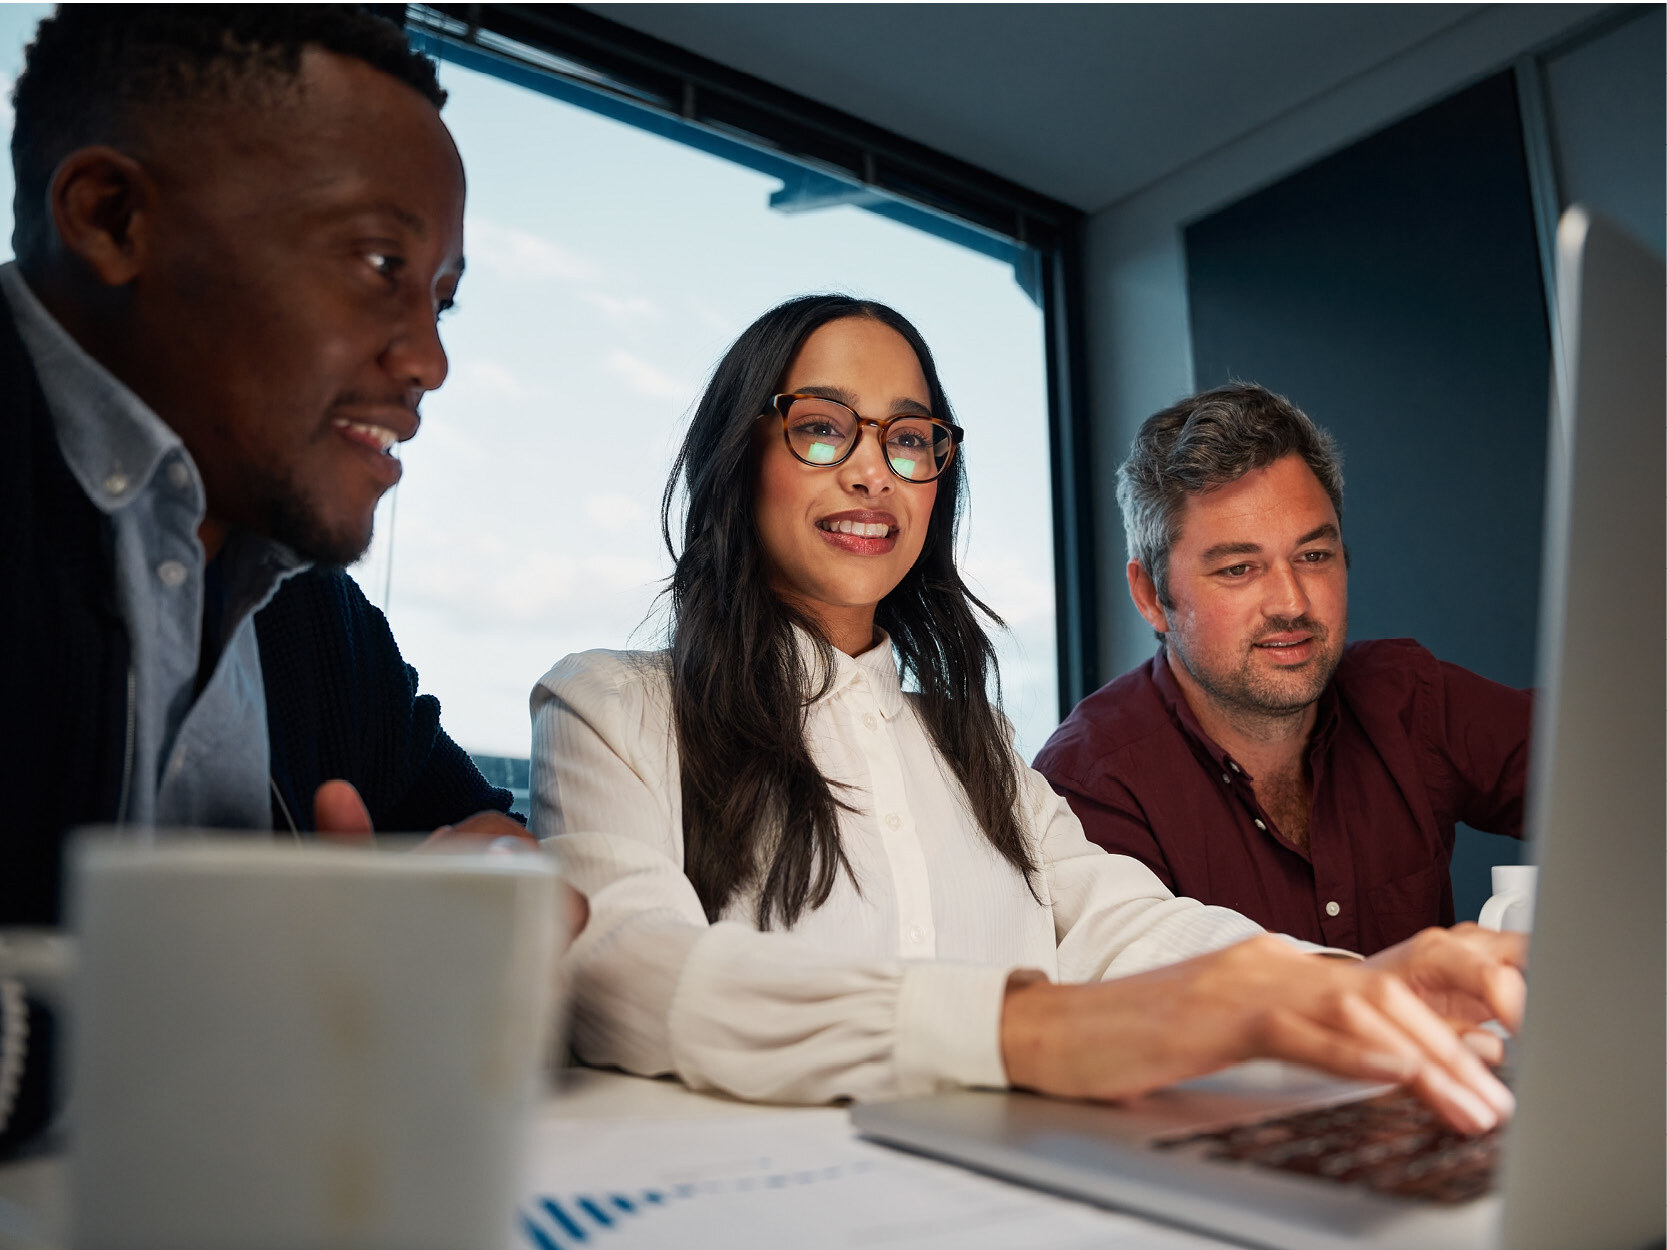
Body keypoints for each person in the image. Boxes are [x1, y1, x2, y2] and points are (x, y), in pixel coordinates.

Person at [532, 295, 1523, 1137]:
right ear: (736, 455)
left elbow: (1125, 921)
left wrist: (1353, 986)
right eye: (823, 426)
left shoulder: (977, 749)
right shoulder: (612, 705)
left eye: (910, 438)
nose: (874, 471)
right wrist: (1028, 1028)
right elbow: (624, 971)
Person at [0, 6, 526, 1154]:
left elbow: (464, 836)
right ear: (111, 215)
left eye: (440, 296)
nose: (429, 360)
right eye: (380, 264)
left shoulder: (312, 608)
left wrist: (488, 891)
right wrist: (232, 1011)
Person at [1034, 385, 1533, 956]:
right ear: (1150, 595)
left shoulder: (1407, 699)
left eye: (1313, 557)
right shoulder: (1091, 788)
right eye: (1240, 568)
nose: (1292, 602)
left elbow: (1615, 776)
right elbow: (1157, 1019)